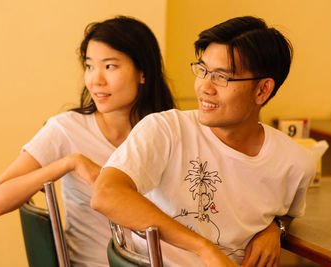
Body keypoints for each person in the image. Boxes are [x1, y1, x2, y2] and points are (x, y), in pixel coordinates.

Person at [91, 16, 317, 267]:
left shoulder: (296, 163)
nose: (204, 87)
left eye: (221, 77)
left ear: (262, 90)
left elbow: (287, 212)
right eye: (203, 71)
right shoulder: (166, 130)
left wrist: (275, 228)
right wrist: (204, 249)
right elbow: (105, 194)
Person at [0, 16, 175, 267]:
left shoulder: (170, 131)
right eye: (89, 66)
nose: (96, 80)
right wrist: (69, 163)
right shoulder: (67, 129)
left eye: (110, 66)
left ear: (143, 73)